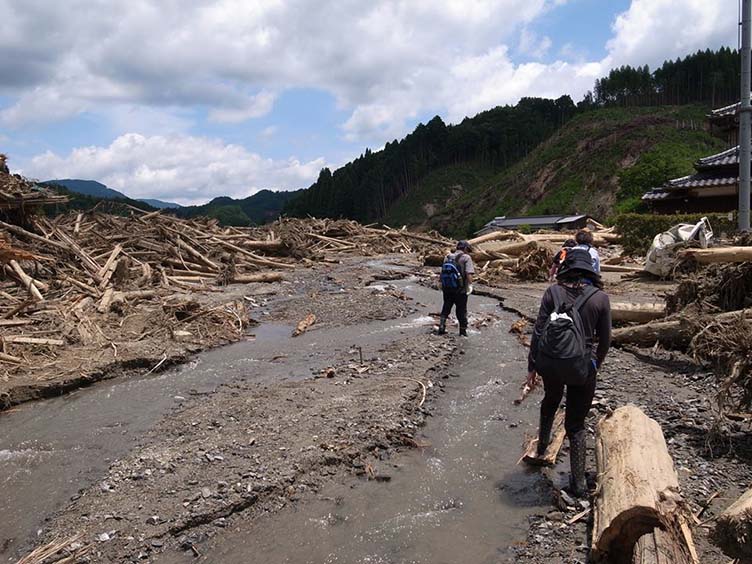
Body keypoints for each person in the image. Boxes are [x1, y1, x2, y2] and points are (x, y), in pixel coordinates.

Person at [526, 248, 611, 496]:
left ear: (566, 269)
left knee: (550, 401)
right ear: (590, 272)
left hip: (551, 363)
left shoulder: (552, 292)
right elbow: (605, 340)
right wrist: (595, 364)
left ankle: (542, 446)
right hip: (581, 367)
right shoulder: (600, 298)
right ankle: (578, 484)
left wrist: (532, 366)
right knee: (575, 424)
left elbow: (539, 330)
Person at [438, 240, 475, 336]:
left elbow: (442, 271)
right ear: (466, 248)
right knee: (461, 310)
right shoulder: (466, 257)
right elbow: (468, 273)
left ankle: (442, 327)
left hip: (447, 288)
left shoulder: (448, 256)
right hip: (460, 289)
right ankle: (462, 331)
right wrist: (470, 285)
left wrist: (440, 282)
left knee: (446, 306)